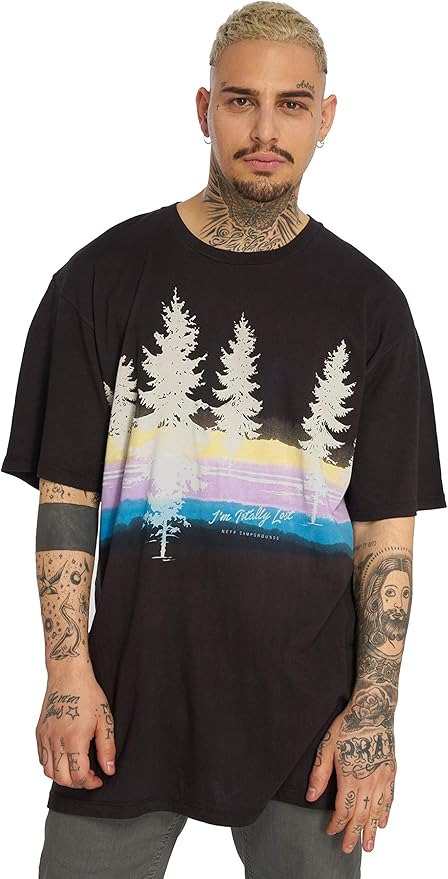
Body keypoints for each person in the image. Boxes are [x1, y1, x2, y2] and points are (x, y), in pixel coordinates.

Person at [1, 2, 446, 877]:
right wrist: (66, 673)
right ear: (205, 108)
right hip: (126, 701)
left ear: (326, 117)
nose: (266, 130)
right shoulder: (99, 278)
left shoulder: (372, 305)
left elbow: (385, 532)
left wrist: (374, 711)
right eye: (242, 100)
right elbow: (66, 497)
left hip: (309, 719)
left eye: (292, 104)